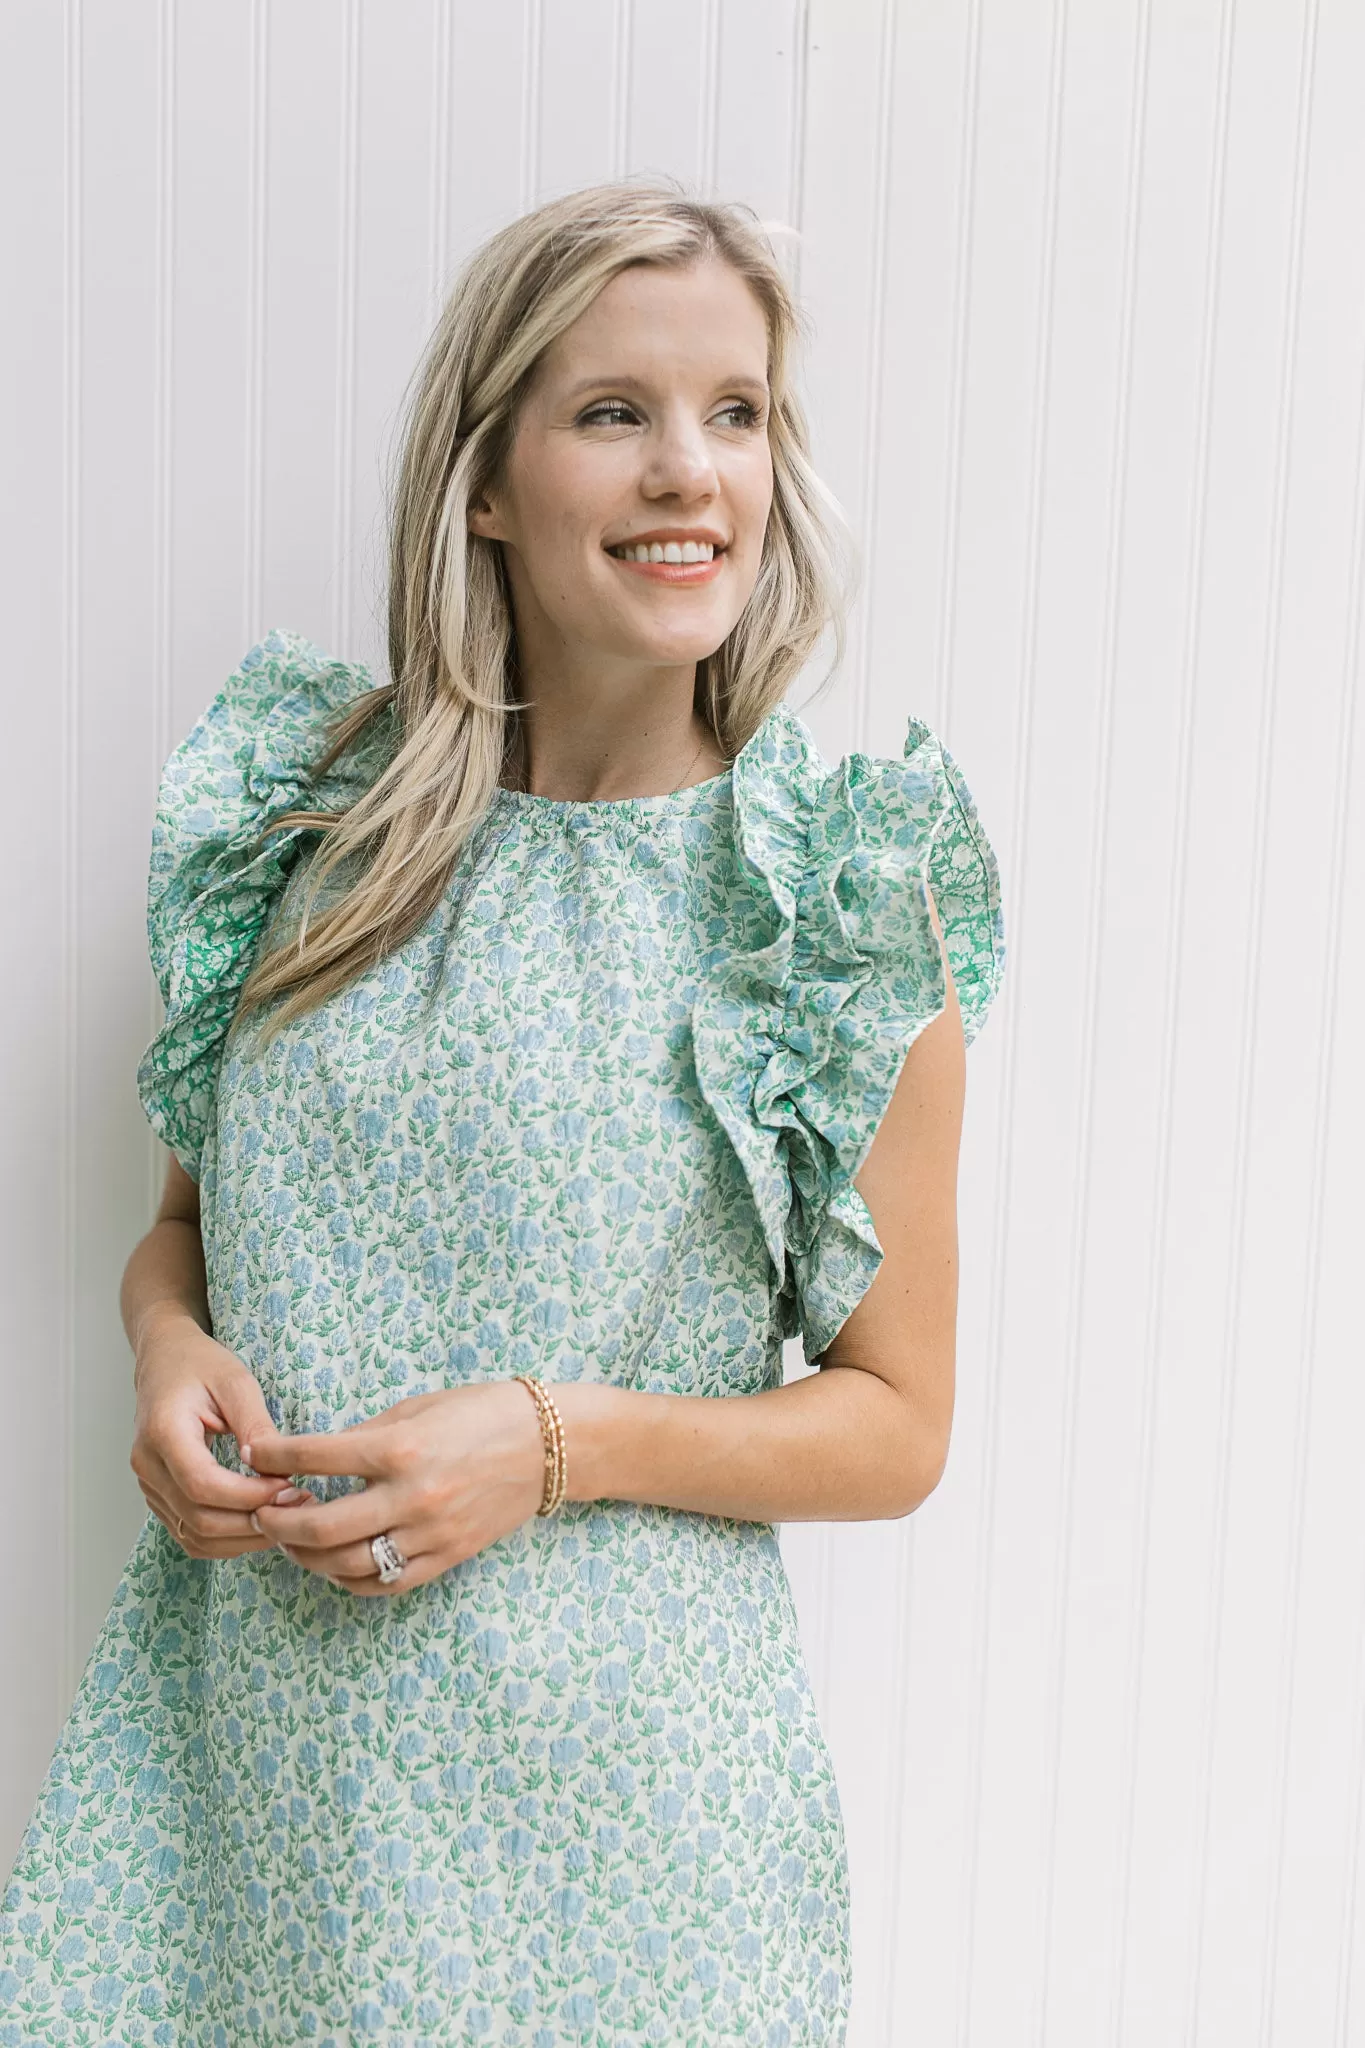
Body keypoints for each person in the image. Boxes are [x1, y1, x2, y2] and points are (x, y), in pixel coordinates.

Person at [0, 178, 1005, 2046]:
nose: (689, 472)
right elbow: (183, 1234)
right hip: (247, 1804)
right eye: (613, 412)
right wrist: (161, 1351)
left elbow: (897, 1424)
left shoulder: (835, 902)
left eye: (738, 414)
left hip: (621, 1840)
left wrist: (547, 1443)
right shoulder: (304, 830)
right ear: (484, 476)